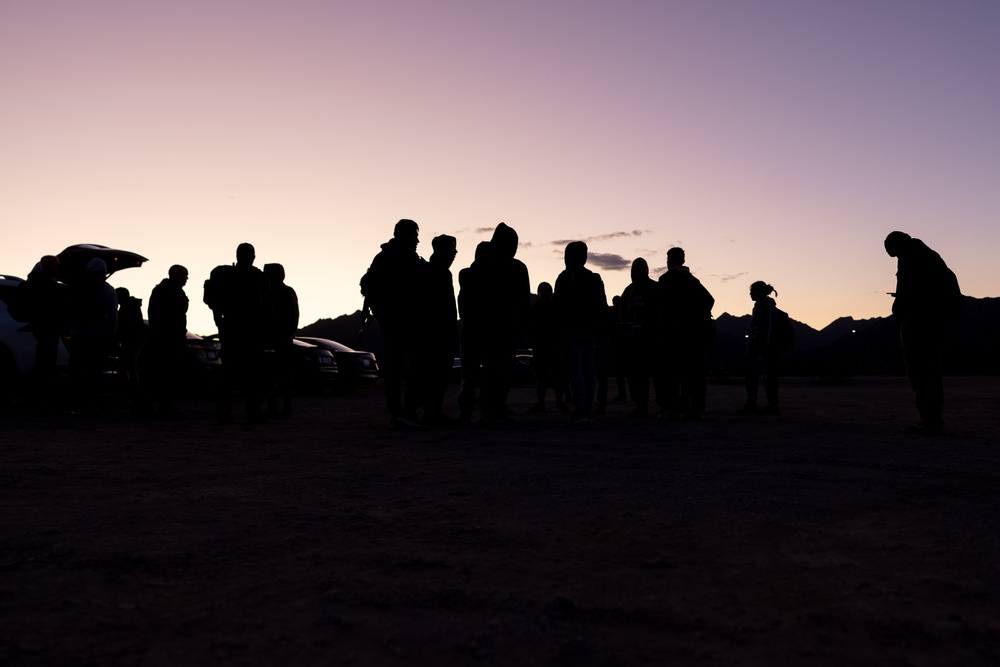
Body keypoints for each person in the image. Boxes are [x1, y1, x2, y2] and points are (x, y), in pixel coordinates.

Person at [884, 231, 962, 433]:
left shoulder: (911, 258)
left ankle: (930, 421)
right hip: (935, 322)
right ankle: (934, 419)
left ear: (896, 246)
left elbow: (912, 293)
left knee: (919, 372)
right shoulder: (928, 256)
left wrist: (902, 305)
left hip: (919, 321)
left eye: (890, 250)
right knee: (932, 370)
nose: (891, 255)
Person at [361, 219, 427, 428]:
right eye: (414, 235)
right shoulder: (388, 258)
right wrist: (384, 313)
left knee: (407, 368)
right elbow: (368, 285)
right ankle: (400, 413)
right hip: (397, 323)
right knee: (398, 369)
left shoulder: (402, 258)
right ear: (404, 235)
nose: (417, 240)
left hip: (406, 322)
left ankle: (405, 412)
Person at [466, 223, 531, 425]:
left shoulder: (484, 266)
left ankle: (494, 409)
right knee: (495, 370)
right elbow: (524, 302)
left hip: (497, 327)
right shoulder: (512, 267)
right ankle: (492, 409)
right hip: (494, 327)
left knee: (495, 370)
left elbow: (523, 302)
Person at [205, 243, 271, 424]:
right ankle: (253, 413)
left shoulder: (224, 275)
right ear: (253, 257)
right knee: (252, 375)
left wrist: (219, 321)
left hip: (230, 329)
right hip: (251, 332)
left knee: (228, 374)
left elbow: (211, 300)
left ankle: (224, 414)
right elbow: (267, 306)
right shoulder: (258, 277)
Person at [554, 241, 608, 424]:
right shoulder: (593, 278)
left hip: (571, 331)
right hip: (589, 330)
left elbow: (558, 307)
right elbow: (601, 305)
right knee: (587, 369)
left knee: (578, 370)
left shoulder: (564, 278)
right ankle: (586, 407)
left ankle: (582, 408)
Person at [658, 247, 715, 420]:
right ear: (683, 260)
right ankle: (697, 408)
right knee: (695, 374)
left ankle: (673, 408)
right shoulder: (693, 280)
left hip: (673, 335)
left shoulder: (666, 279)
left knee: (672, 373)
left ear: (669, 260)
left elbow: (660, 307)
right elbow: (709, 300)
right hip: (694, 335)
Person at [67, 258, 118, 413]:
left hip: (76, 335)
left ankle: (75, 403)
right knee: (93, 371)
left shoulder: (75, 287)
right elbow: (112, 315)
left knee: (76, 370)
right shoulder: (107, 289)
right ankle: (90, 404)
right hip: (98, 335)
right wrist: (112, 333)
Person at [420, 235, 459, 425]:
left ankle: (433, 411)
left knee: (439, 374)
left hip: (441, 332)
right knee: (436, 373)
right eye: (453, 249)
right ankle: (431, 412)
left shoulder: (437, 271)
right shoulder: (436, 272)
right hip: (436, 333)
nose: (455, 253)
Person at [22, 256, 67, 410]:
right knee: (45, 364)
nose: (58, 268)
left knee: (42, 363)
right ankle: (40, 400)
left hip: (40, 327)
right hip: (47, 327)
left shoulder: (31, 283)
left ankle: (36, 399)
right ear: (48, 266)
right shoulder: (49, 285)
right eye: (56, 265)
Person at [145, 265, 189, 417]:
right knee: (163, 375)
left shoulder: (172, 291)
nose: (186, 279)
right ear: (175, 275)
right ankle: (158, 407)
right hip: (165, 340)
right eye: (184, 275)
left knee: (169, 375)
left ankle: (165, 406)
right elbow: (157, 316)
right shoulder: (163, 291)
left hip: (172, 338)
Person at [620, 258, 661, 417]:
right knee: (637, 374)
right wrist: (625, 329)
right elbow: (622, 312)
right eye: (635, 268)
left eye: (641, 267)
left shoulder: (654, 287)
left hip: (651, 336)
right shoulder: (628, 290)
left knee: (657, 372)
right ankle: (641, 404)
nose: (637, 271)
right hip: (633, 338)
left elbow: (660, 311)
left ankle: (661, 403)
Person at [738, 281, 781, 416]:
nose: (750, 294)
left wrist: (767, 348)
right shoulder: (756, 308)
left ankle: (772, 405)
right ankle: (752, 403)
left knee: (769, 377)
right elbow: (753, 331)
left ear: (760, 292)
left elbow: (772, 329)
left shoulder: (769, 308)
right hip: (755, 348)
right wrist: (748, 348)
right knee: (751, 376)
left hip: (766, 349)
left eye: (753, 291)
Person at [263, 263, 299, 419]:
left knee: (279, 374)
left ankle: (283, 409)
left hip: (279, 338)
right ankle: (278, 408)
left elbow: (294, 316)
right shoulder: (284, 292)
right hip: (277, 338)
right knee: (273, 374)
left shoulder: (281, 292)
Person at [527, 282, 569, 413]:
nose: (545, 293)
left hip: (554, 346)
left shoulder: (556, 307)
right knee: (541, 377)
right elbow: (530, 327)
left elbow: (562, 325)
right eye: (542, 291)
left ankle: (559, 401)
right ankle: (541, 402)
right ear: (539, 293)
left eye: (547, 291)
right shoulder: (535, 308)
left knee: (557, 376)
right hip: (540, 347)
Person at [114, 287, 145, 395]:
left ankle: (131, 391)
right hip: (134, 340)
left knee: (127, 365)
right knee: (129, 365)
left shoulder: (127, 308)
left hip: (133, 340)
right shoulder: (131, 306)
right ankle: (131, 391)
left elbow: (126, 327)